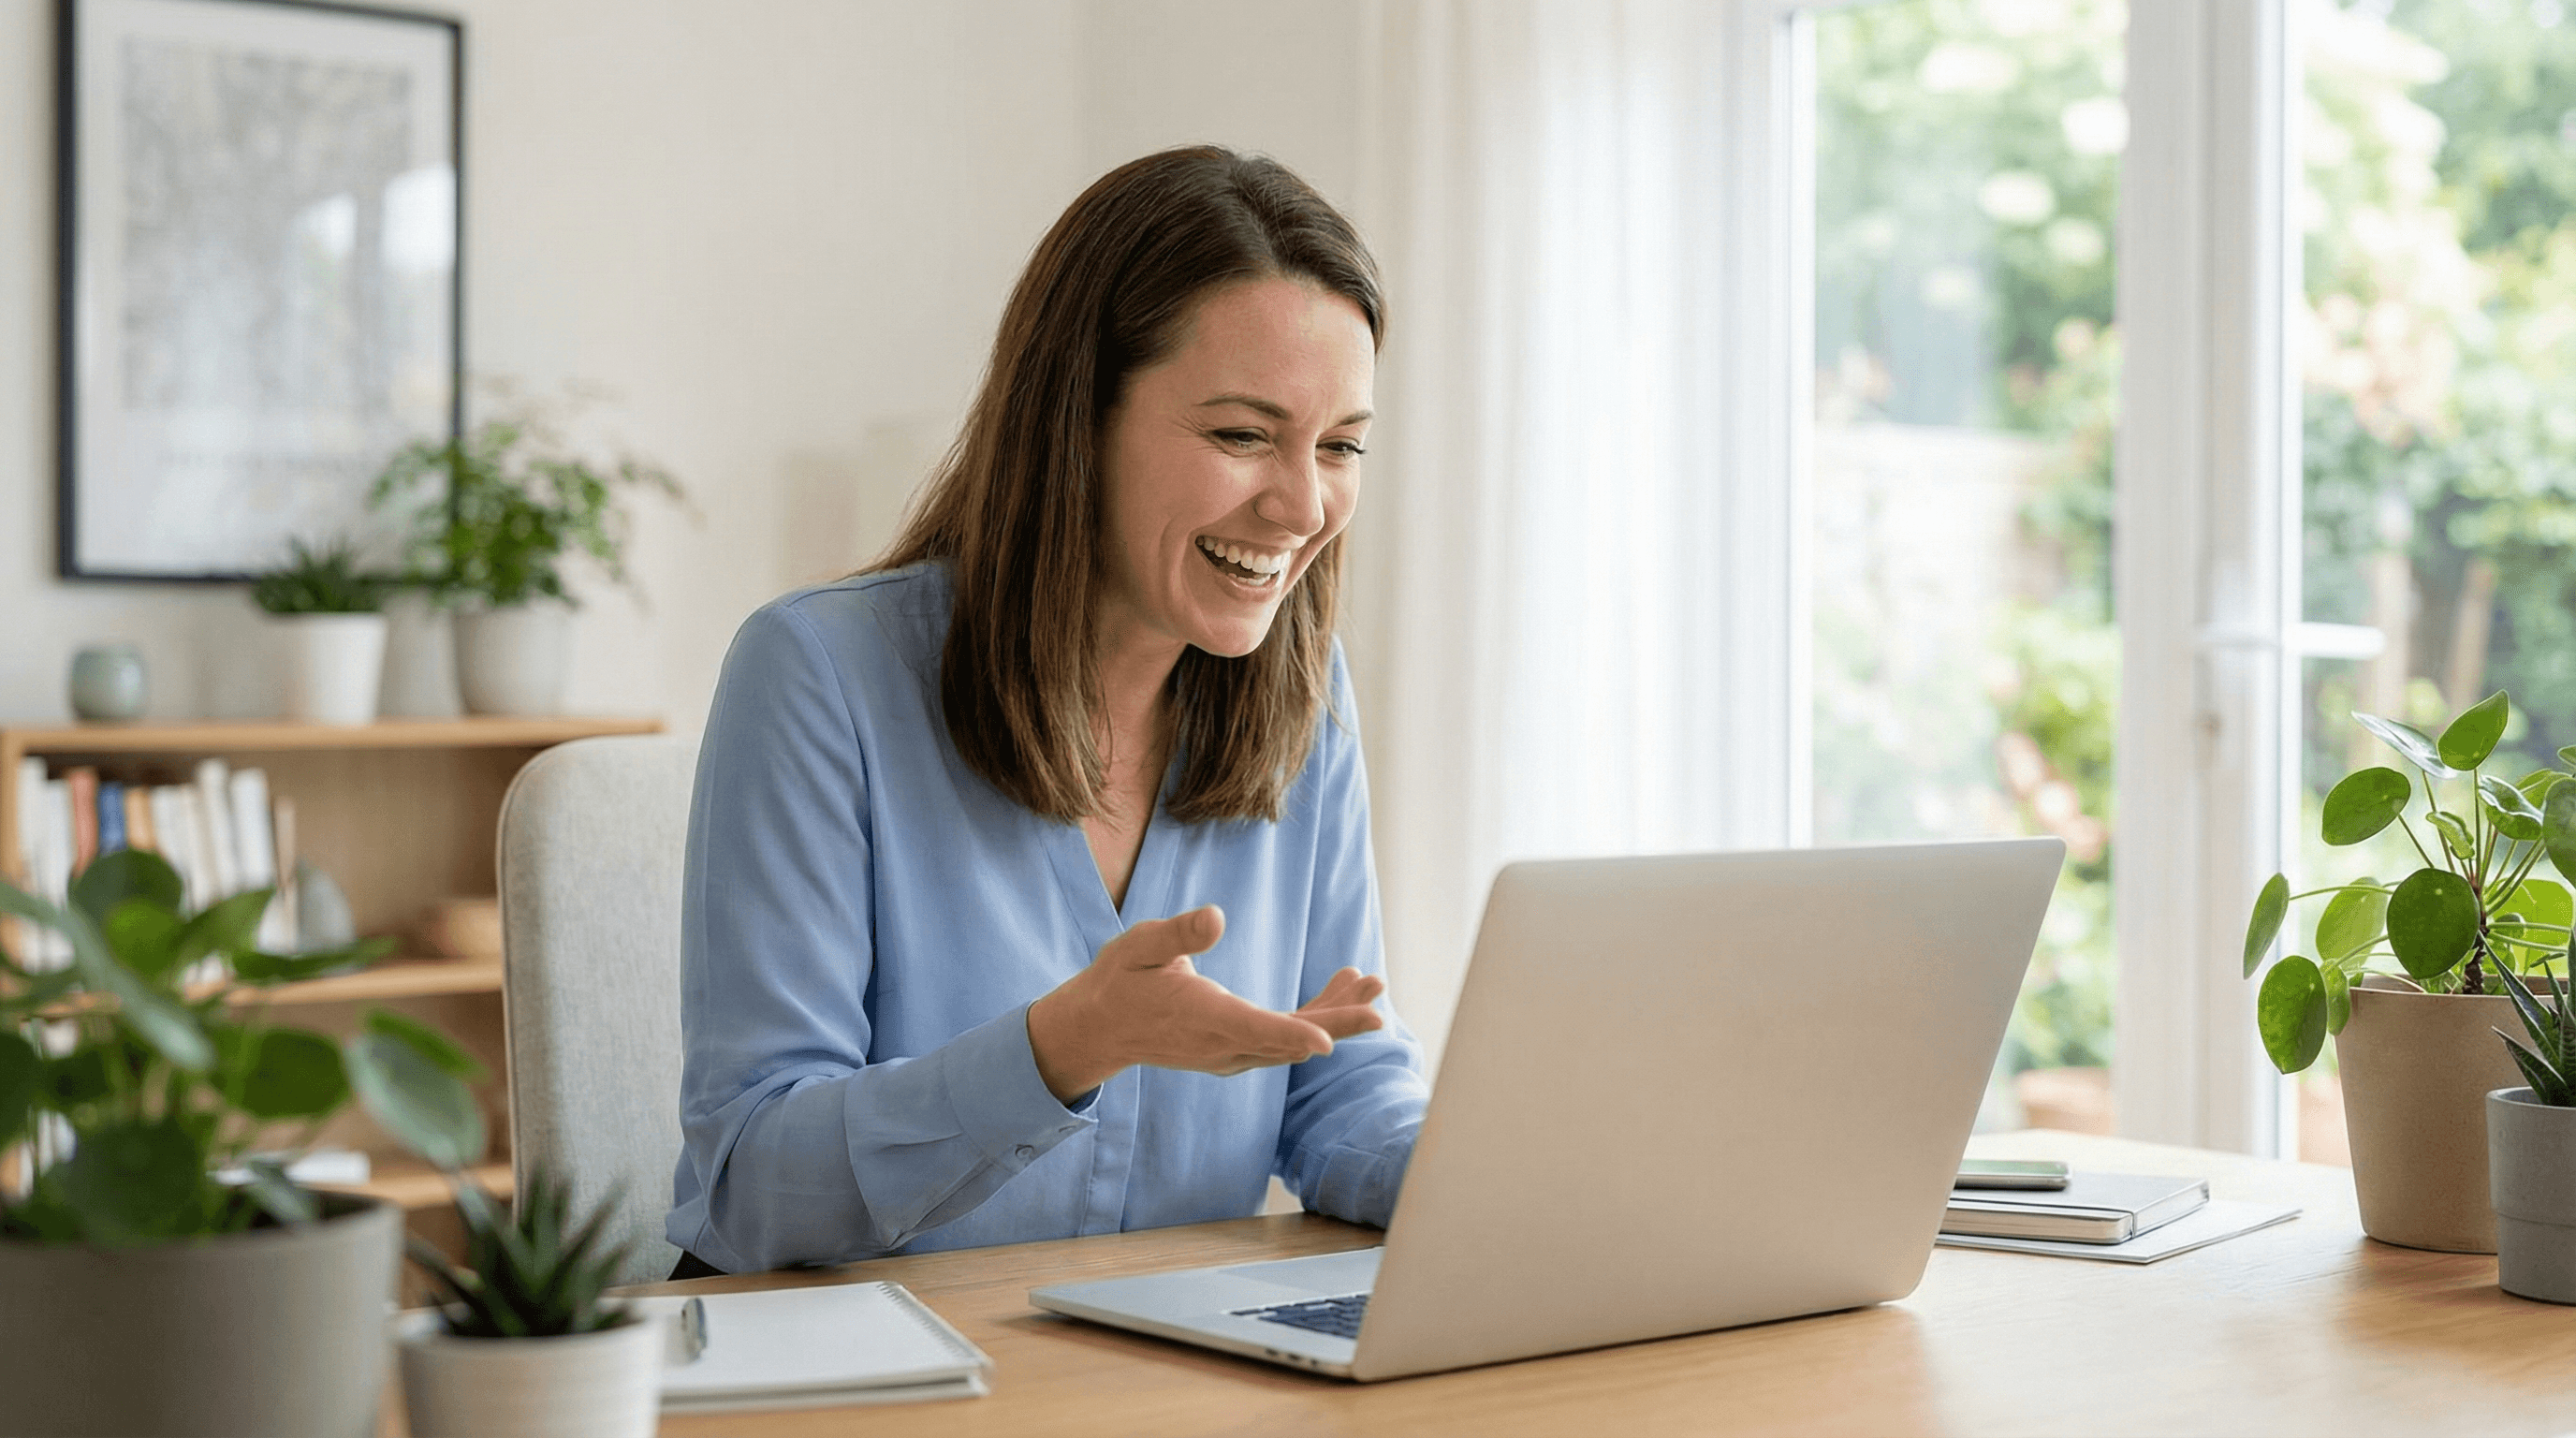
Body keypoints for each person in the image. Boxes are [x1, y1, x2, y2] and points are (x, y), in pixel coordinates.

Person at [666, 147, 1429, 1275]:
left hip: (1154, 1377)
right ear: (1076, 418)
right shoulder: (820, 674)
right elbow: (752, 1188)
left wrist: (1514, 1181)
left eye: (1342, 446)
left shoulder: (1306, 703)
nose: (1302, 505)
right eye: (1239, 435)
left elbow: (1335, 1085)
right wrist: (1066, 1045)